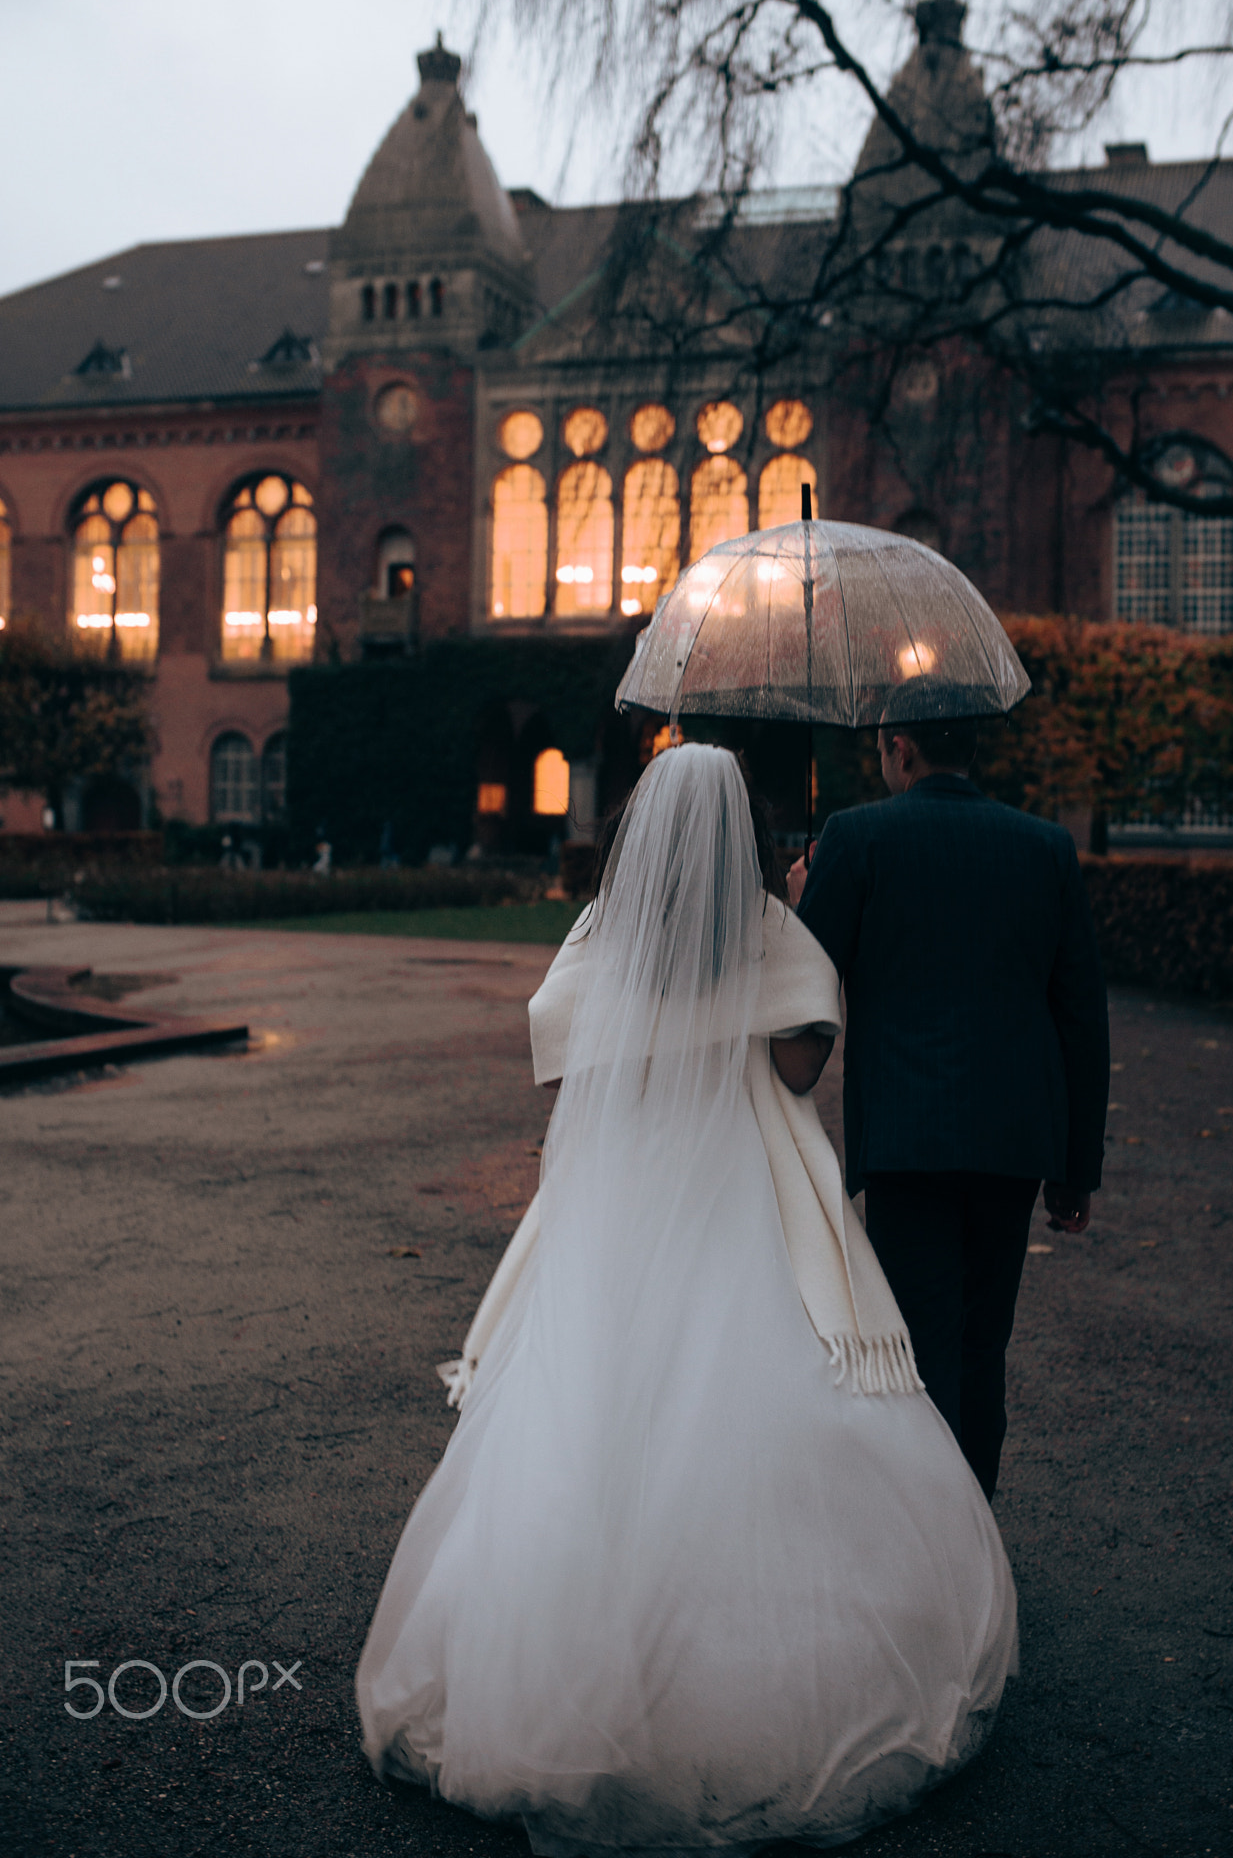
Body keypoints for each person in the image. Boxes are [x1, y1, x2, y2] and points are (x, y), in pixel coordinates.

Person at [357, 744, 1017, 1854]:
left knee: (592, 1400)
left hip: (624, 1185)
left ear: (641, 831)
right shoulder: (765, 927)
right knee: (756, 1386)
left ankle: (537, 1667)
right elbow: (805, 1063)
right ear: (743, 835)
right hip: (735, 1178)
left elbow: (561, 1068)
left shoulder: (599, 931)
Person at [792, 713, 1111, 1503]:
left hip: (908, 1135)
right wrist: (1078, 1171)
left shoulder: (857, 837)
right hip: (1012, 1139)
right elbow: (1080, 1016)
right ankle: (973, 1534)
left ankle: (930, 1548)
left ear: (900, 748)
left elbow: (803, 982)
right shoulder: (1044, 846)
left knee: (912, 1348)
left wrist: (802, 896)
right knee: (981, 1346)